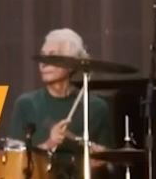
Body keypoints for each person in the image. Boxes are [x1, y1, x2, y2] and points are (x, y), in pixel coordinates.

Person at [8, 28, 114, 179]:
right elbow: (13, 164)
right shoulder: (26, 104)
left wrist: (100, 160)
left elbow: (111, 165)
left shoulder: (97, 108)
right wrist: (49, 144)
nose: (43, 64)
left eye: (52, 57)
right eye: (43, 56)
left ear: (71, 64)